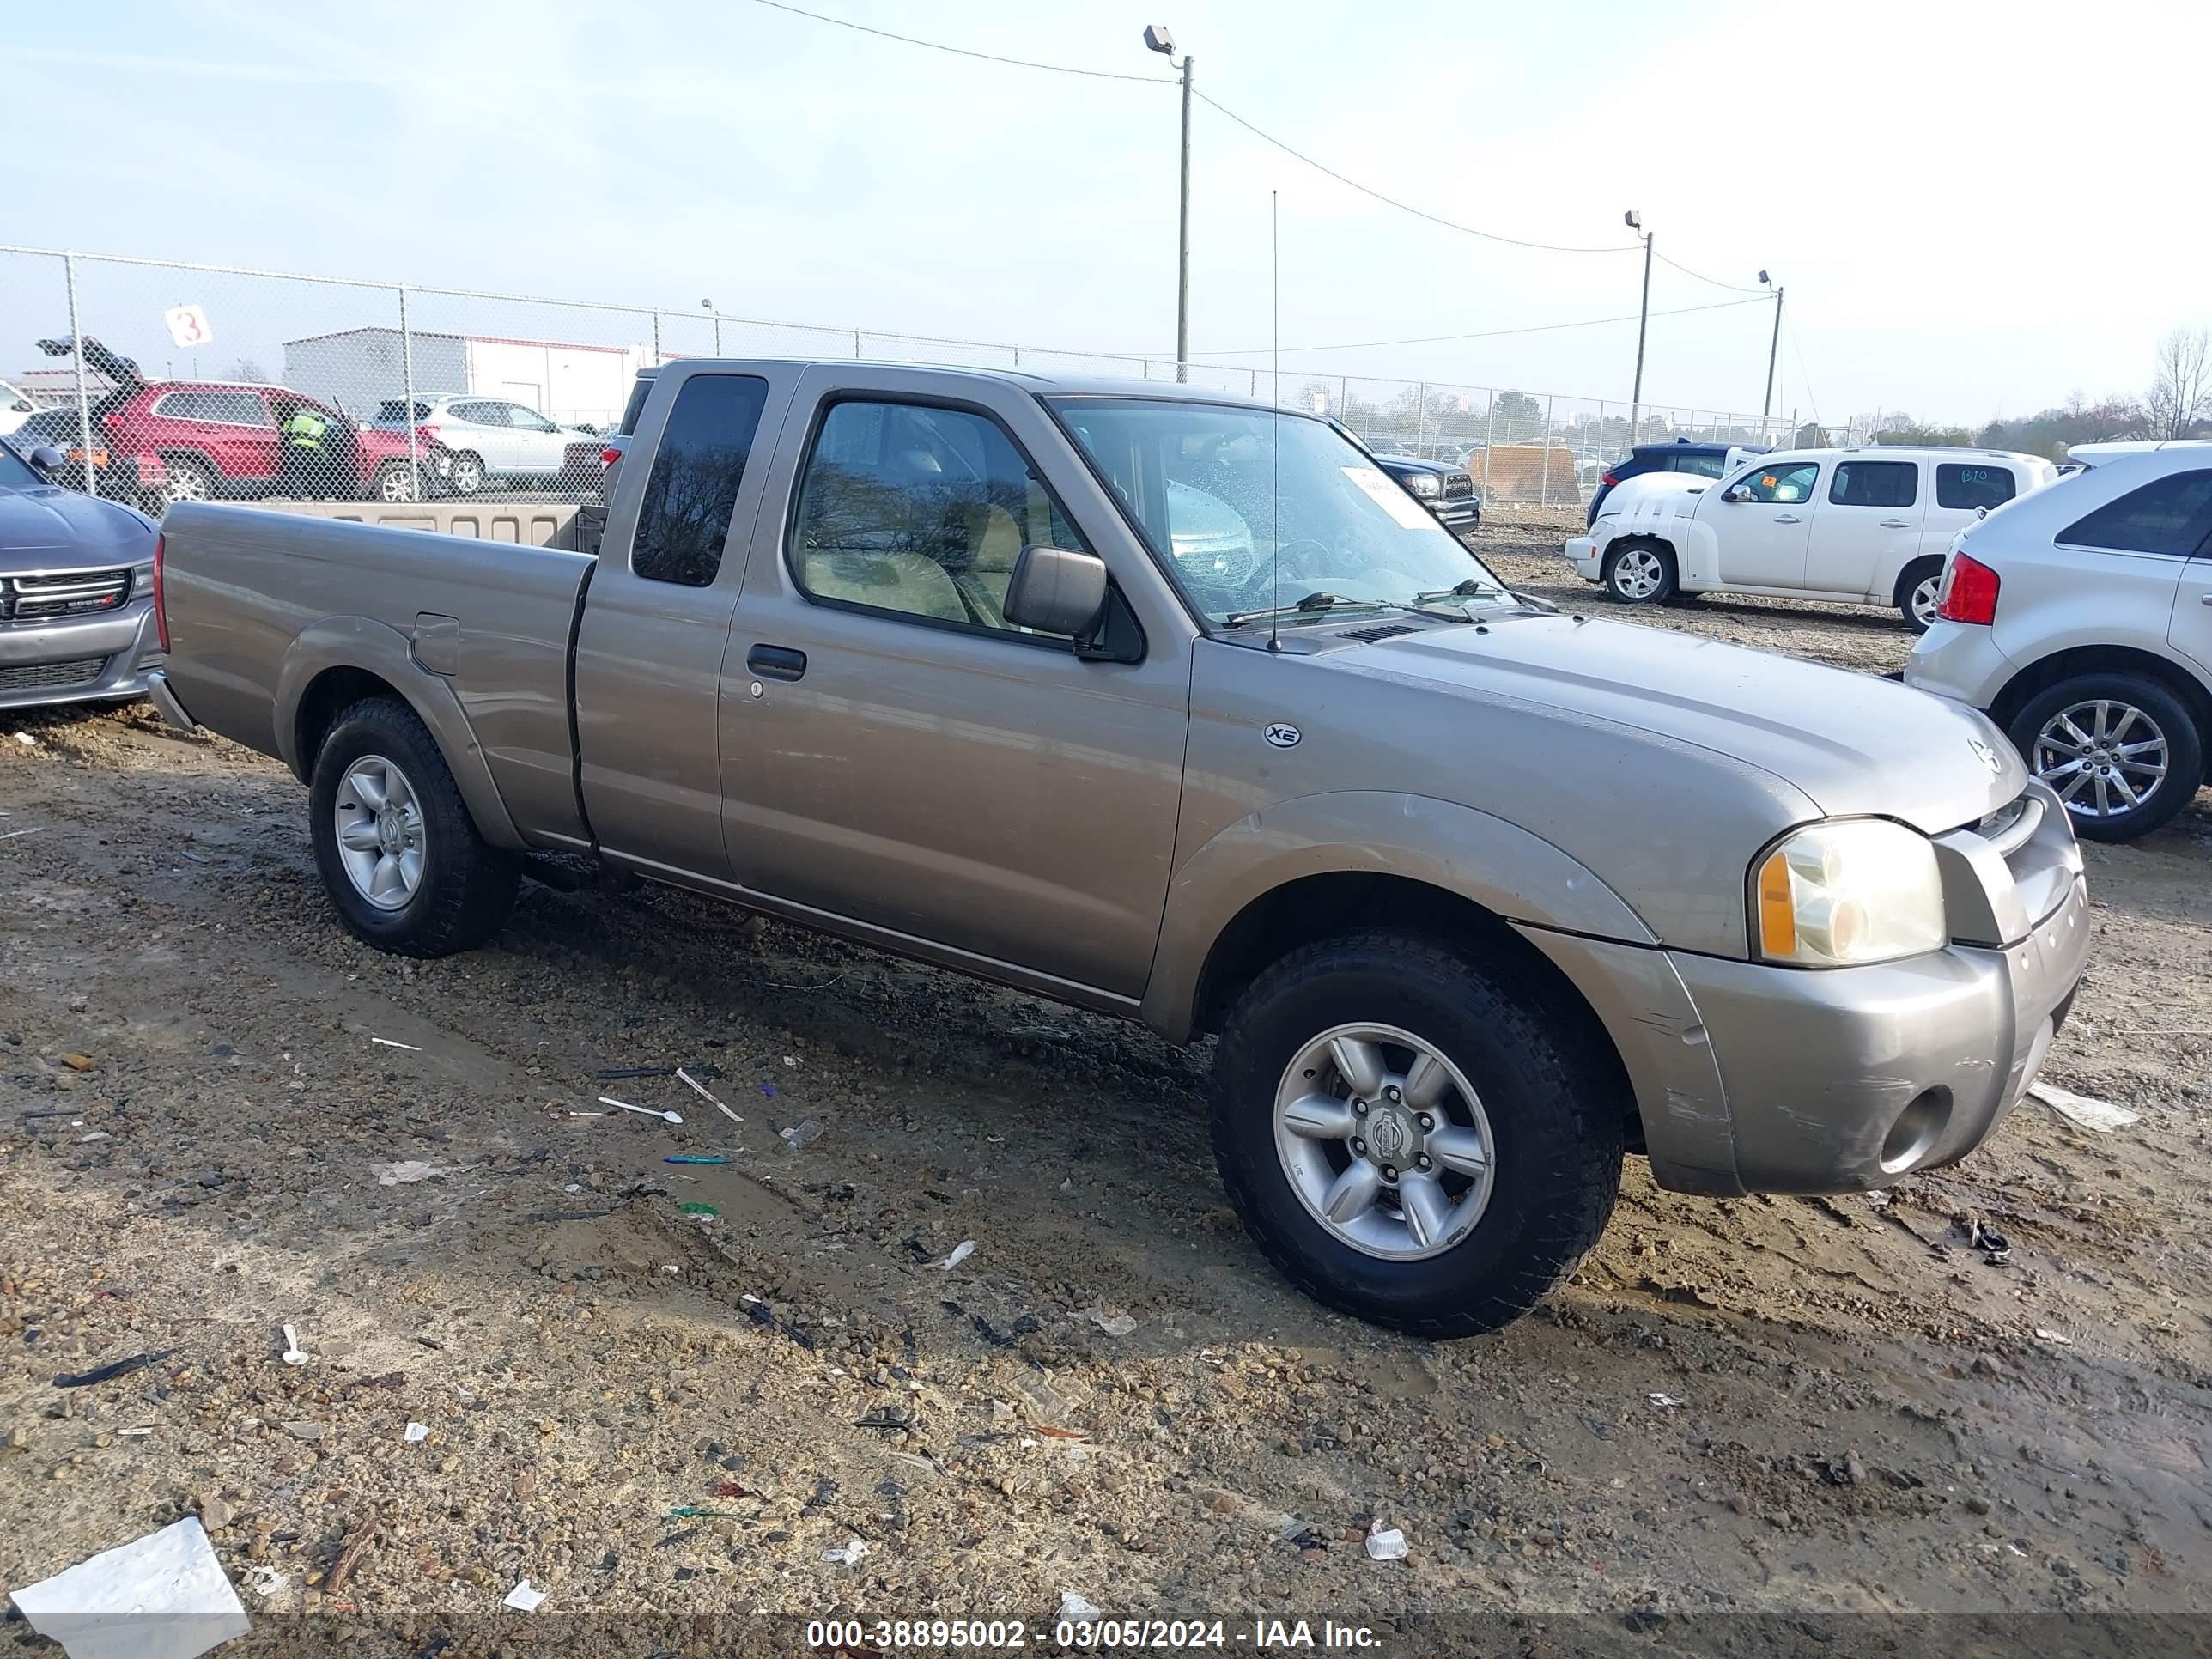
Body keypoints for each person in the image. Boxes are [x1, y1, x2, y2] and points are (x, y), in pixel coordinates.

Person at [276, 399, 335, 498]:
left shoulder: (297, 418)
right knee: (316, 474)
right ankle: (319, 495)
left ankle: (297, 496)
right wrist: (326, 458)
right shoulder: (321, 425)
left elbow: (283, 432)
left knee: (295, 473)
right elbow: (324, 442)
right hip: (314, 450)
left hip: (296, 448)